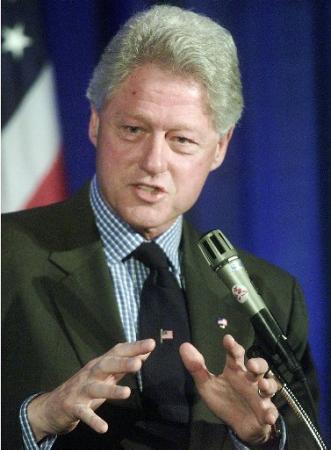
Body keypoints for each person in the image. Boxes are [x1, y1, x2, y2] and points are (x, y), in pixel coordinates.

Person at [2, 5, 320, 449]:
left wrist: (260, 439)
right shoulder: (7, 255)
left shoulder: (270, 297)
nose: (153, 163)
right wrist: (33, 419)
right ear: (95, 123)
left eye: (182, 140)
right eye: (133, 129)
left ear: (219, 148)